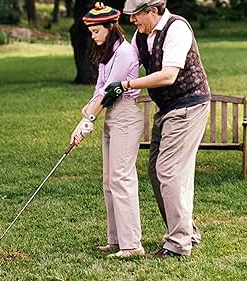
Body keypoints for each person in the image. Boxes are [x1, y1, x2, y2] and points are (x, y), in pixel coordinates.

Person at [102, 0, 211, 259]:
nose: (132, 21)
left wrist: (126, 84)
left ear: (152, 11)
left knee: (169, 171)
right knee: (156, 170)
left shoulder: (177, 29)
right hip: (168, 109)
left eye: (136, 15)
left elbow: (168, 75)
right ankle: (186, 231)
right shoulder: (142, 36)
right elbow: (125, 61)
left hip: (189, 105)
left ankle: (178, 244)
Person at [70, 2, 145, 258]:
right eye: (91, 32)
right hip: (113, 116)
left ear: (111, 27)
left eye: (96, 31)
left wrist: (88, 120)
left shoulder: (124, 52)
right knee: (109, 181)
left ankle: (132, 245)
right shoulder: (107, 53)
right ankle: (116, 240)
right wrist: (88, 110)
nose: (93, 36)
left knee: (122, 179)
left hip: (125, 115)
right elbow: (99, 88)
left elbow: (112, 89)